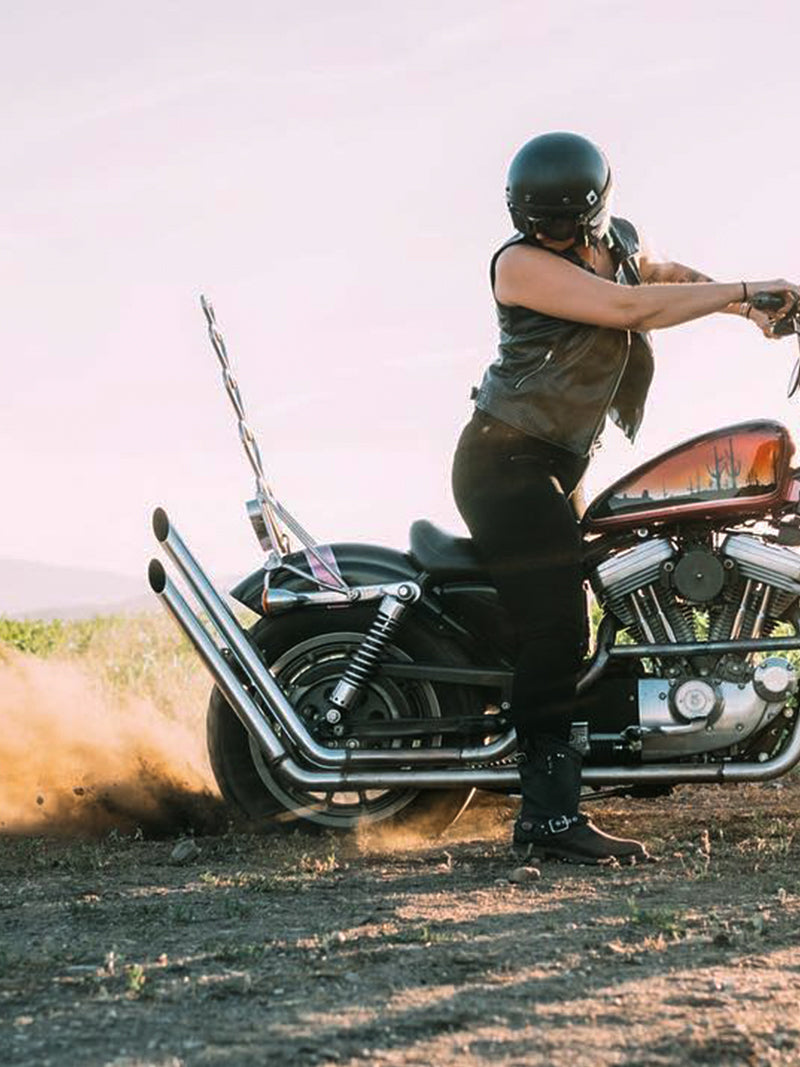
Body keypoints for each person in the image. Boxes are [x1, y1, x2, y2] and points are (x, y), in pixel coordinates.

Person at [451, 131, 799, 865]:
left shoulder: (616, 246)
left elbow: (658, 272)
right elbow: (632, 307)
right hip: (504, 466)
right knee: (556, 631)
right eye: (537, 221)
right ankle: (546, 819)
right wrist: (741, 291)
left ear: (594, 212)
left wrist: (754, 310)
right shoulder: (518, 265)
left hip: (559, 461)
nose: (548, 233)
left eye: (561, 223)